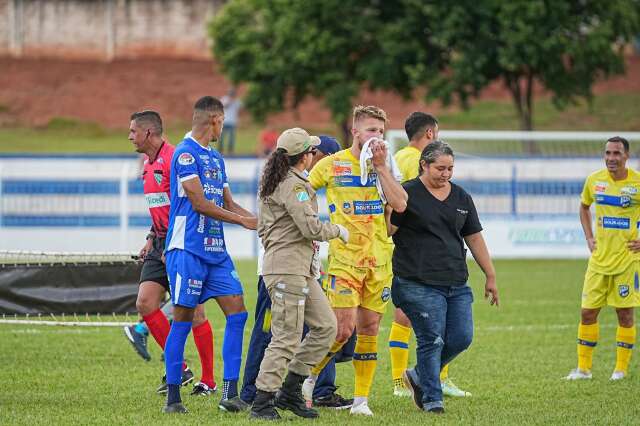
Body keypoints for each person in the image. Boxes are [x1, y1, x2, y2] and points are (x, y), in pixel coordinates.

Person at [303, 105, 408, 416]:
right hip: (344, 260)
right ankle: (306, 379)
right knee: (341, 330)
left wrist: (382, 169)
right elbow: (302, 190)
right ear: (355, 132)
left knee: (370, 330)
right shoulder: (332, 165)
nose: (377, 137)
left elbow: (400, 204)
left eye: (381, 131)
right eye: (371, 130)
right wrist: (308, 224)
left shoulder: (385, 166)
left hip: (379, 261)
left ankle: (361, 401)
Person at [240, 135, 355, 410]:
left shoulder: (284, 181)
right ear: (303, 156)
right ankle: (262, 401)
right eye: (312, 151)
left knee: (327, 327)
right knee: (286, 337)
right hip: (287, 269)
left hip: (299, 268)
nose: (314, 155)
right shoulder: (294, 186)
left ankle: (290, 389)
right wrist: (338, 230)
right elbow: (311, 228)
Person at [162, 96, 257, 414]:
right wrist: (243, 221)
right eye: (224, 121)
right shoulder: (184, 154)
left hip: (216, 251)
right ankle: (173, 399)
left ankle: (229, 394)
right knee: (183, 319)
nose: (225, 126)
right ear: (215, 119)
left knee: (238, 313)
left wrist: (261, 222)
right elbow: (200, 203)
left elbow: (229, 204)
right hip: (187, 249)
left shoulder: (216, 158)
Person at [388, 141, 499, 414]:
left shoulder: (461, 197)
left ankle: (417, 375)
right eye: (440, 168)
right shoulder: (407, 194)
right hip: (417, 281)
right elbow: (389, 230)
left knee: (462, 337)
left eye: (450, 168)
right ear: (424, 165)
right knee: (431, 338)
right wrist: (387, 202)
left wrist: (490, 275)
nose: (446, 174)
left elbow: (473, 236)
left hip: (456, 281)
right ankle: (432, 399)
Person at [126, 110, 217, 396]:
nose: (129, 136)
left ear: (148, 133)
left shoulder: (175, 159)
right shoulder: (146, 162)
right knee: (145, 303)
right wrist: (151, 237)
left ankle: (210, 381)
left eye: (132, 132)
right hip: (160, 242)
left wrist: (177, 244)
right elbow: (160, 206)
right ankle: (179, 369)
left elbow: (189, 203)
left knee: (196, 313)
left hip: (181, 242)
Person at [389, 112, 470, 398]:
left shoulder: (397, 156)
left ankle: (401, 381)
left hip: (397, 247)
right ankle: (433, 378)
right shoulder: (417, 161)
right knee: (434, 325)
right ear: (431, 134)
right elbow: (414, 203)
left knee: (405, 318)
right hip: (417, 253)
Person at [565, 136, 640, 381]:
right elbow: (584, 207)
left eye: (616, 153)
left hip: (628, 260)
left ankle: (620, 370)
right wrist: (589, 237)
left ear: (626, 156)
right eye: (608, 153)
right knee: (587, 312)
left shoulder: (637, 184)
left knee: (625, 314)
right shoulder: (594, 180)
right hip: (599, 259)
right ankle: (583, 370)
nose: (611, 158)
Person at [219, 87, 242, 154]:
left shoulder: (237, 101)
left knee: (232, 138)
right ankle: (220, 150)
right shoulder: (224, 99)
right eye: (231, 93)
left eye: (233, 94)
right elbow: (223, 106)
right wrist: (230, 101)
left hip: (233, 122)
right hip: (224, 121)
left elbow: (240, 109)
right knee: (221, 137)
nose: (232, 95)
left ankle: (230, 151)